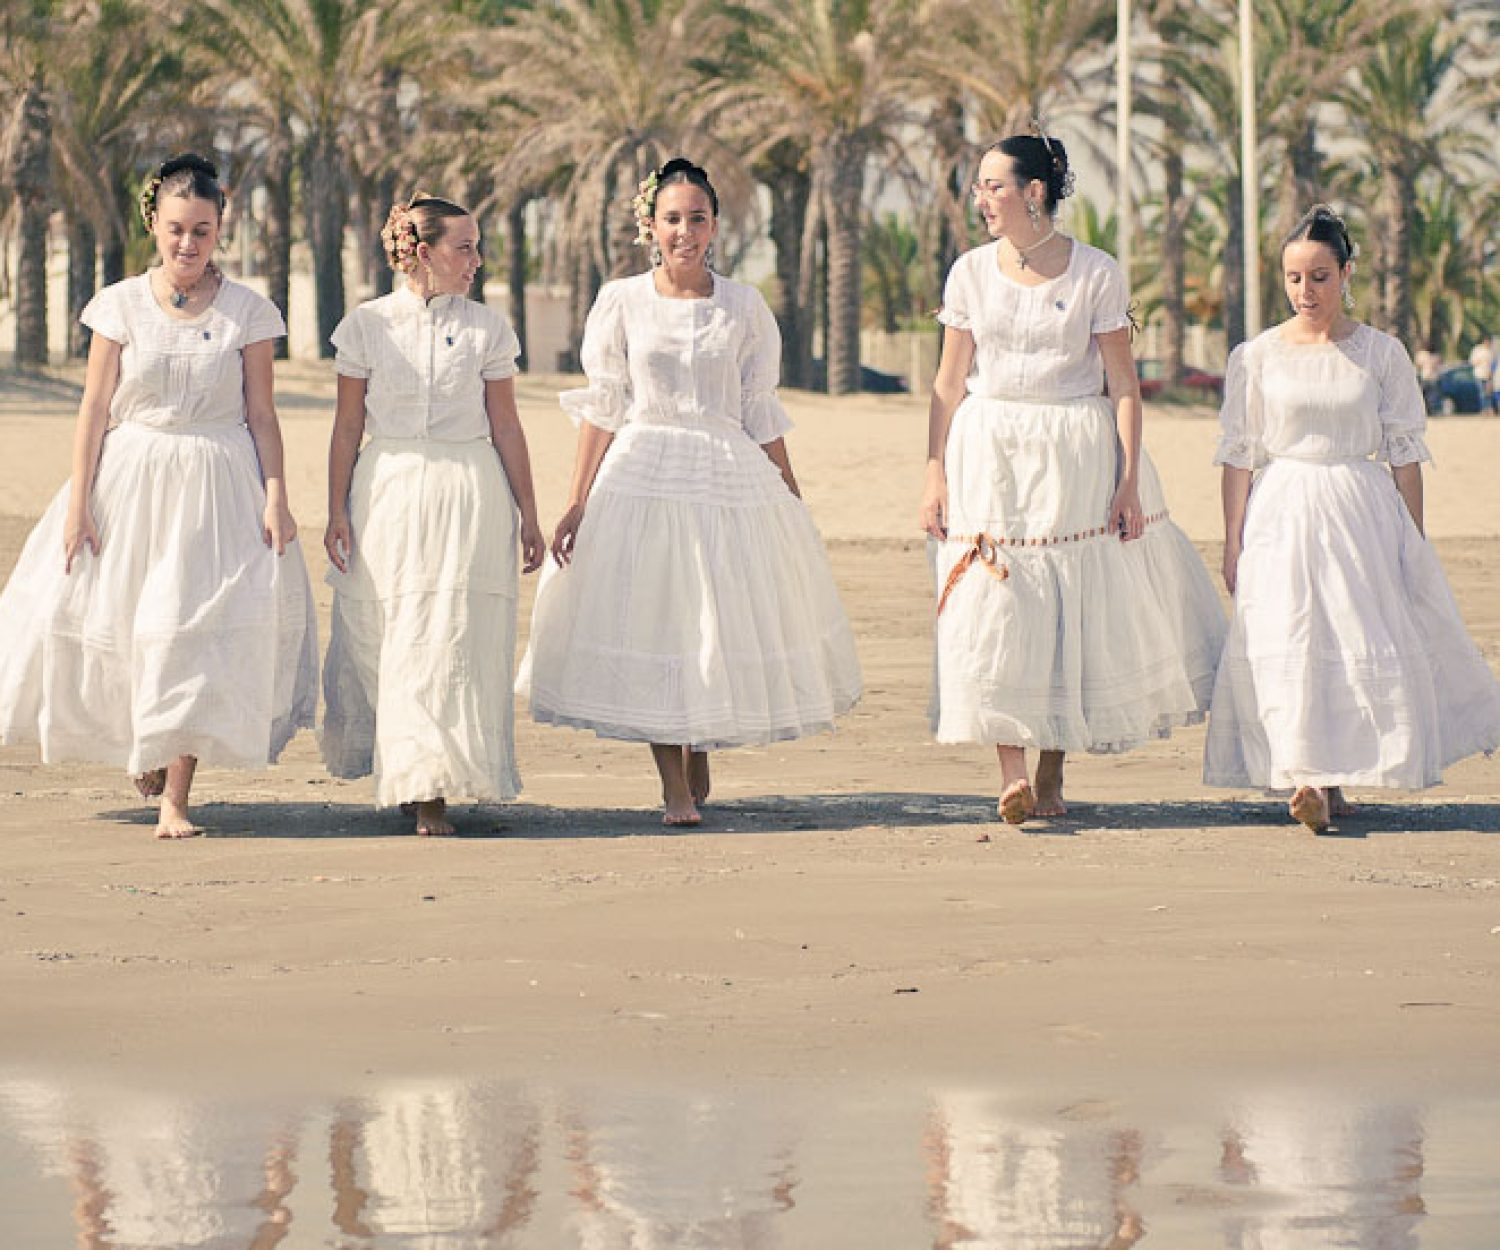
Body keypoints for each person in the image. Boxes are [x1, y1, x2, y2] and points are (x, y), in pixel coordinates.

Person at [521, 157, 862, 826]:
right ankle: (673, 783)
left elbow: (760, 408)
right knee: (659, 617)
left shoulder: (745, 306)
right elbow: (605, 407)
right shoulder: (620, 300)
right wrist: (576, 503)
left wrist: (792, 497)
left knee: (716, 616)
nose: (685, 231)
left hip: (727, 471)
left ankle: (700, 733)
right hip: (644, 469)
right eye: (672, 219)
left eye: (697, 219)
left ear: (714, 226)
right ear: (649, 225)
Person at [0, 153, 317, 838]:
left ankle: (175, 799)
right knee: (132, 627)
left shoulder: (249, 311)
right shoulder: (118, 306)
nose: (188, 244)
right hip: (130, 480)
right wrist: (79, 500)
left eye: (202, 230)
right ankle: (144, 745)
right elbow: (93, 409)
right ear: (154, 223)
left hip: (219, 484)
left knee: (192, 634)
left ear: (220, 227)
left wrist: (276, 497)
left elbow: (261, 414)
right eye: (176, 229)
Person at [920, 132, 1225, 824]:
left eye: (992, 185)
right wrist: (933, 472)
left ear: (1034, 192)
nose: (981, 199)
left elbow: (1123, 385)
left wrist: (1128, 483)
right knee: (994, 604)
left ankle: (1052, 772)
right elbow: (946, 384)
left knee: (1067, 610)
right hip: (989, 453)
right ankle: (1011, 774)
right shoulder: (968, 272)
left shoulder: (1096, 273)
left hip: (1077, 453)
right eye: (978, 187)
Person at [1205, 205, 1500, 830]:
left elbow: (1404, 453)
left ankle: (1334, 784)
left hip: (1360, 509)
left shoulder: (1381, 353)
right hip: (1282, 509)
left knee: (1347, 636)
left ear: (1345, 274)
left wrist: (1411, 538)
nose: (1305, 291)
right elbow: (1239, 457)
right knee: (1292, 635)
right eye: (1293, 278)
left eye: (1318, 276)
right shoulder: (1255, 357)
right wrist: (1232, 540)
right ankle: (1306, 776)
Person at [320, 193, 544, 836]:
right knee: (388, 631)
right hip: (387, 490)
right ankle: (407, 766)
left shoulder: (488, 329)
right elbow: (346, 427)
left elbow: (507, 424)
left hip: (468, 494)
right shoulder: (366, 326)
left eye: (477, 246)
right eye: (464, 247)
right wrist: (335, 509)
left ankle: (431, 791)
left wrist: (529, 513)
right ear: (423, 253)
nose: (476, 260)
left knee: (451, 635)